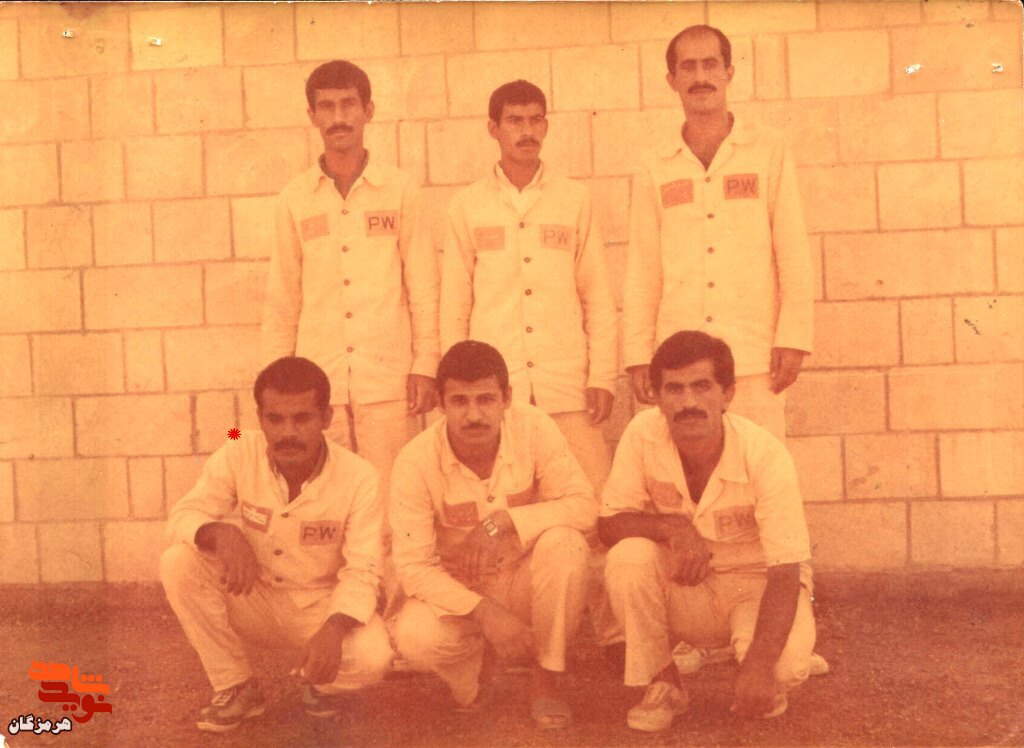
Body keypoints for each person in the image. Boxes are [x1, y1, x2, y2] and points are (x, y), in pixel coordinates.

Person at [160, 357, 392, 732]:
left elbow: (364, 570)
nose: (288, 433)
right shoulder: (237, 448)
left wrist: (334, 629)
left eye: (302, 418)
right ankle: (236, 686)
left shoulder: (359, 476)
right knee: (178, 562)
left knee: (372, 656)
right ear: (260, 418)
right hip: (254, 595)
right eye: (275, 419)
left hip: (319, 607)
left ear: (326, 417)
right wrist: (221, 533)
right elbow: (184, 513)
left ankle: (321, 685)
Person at [600, 331, 817, 732]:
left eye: (702, 386)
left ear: (728, 393)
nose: (688, 403)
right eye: (674, 389)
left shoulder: (764, 453)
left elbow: (786, 569)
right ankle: (664, 682)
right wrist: (672, 526)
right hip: (687, 584)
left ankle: (753, 655)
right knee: (627, 558)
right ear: (656, 396)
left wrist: (760, 666)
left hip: (754, 587)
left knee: (784, 670)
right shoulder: (642, 434)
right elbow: (609, 523)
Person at [260, 59, 439, 518]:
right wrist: (274, 383)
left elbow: (424, 287)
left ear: (368, 110)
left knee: (395, 498)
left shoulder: (400, 190)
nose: (338, 117)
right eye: (327, 106)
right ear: (312, 115)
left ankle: (394, 570)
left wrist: (426, 365)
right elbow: (283, 299)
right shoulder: (294, 198)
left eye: (348, 104)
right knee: (328, 502)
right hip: (319, 385)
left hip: (389, 377)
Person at [389, 341, 596, 729]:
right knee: (414, 637)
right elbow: (414, 567)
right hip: (460, 588)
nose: (473, 415)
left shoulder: (534, 427)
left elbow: (584, 507)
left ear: (507, 398)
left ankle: (545, 677)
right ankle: (475, 673)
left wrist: (504, 520)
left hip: (523, 578)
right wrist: (486, 613)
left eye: (486, 399)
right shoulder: (415, 460)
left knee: (567, 545)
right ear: (440, 403)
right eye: (459, 401)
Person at [624, 25, 813, 441]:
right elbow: (643, 266)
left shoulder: (768, 149)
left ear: (729, 72)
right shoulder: (655, 164)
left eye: (710, 64)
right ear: (672, 80)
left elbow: (792, 249)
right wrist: (638, 354)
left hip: (754, 356)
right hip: (678, 365)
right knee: (681, 470)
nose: (700, 77)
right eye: (688, 67)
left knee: (760, 468)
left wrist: (793, 337)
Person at [440, 79, 617, 498]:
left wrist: (603, 375)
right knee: (506, 500)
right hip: (496, 390)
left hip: (567, 383)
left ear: (546, 126)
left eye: (536, 120)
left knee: (592, 496)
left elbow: (597, 295)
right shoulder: (467, 205)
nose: (527, 131)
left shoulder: (573, 199)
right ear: (493, 129)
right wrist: (453, 382)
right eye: (515, 121)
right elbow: (455, 304)